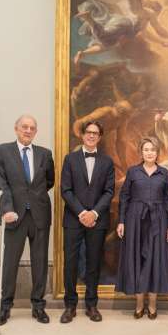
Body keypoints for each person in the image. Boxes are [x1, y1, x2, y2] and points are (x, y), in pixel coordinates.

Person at [0, 115, 56, 324]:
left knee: (40, 263)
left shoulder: (45, 154)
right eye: (24, 127)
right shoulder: (2, 151)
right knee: (10, 263)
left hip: (39, 215)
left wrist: (32, 198)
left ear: (35, 132)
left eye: (32, 128)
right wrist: (8, 209)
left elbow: (49, 181)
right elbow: (2, 185)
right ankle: (5, 307)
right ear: (16, 128)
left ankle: (38, 306)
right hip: (14, 215)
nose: (28, 131)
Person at [59, 119, 115, 323]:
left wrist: (94, 214)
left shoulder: (107, 161)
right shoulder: (70, 159)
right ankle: (70, 306)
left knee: (94, 263)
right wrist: (82, 212)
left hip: (97, 221)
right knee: (71, 263)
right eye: (88, 132)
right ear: (82, 135)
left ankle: (92, 305)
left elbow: (109, 191)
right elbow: (65, 190)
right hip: (74, 219)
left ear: (99, 137)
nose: (91, 136)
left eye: (95, 133)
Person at [116, 137, 168, 317]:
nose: (149, 152)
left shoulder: (164, 173)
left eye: (153, 150)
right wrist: (121, 221)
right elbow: (124, 197)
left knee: (155, 259)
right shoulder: (133, 172)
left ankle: (153, 304)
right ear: (141, 152)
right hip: (135, 220)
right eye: (146, 149)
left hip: (158, 220)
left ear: (157, 153)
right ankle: (139, 303)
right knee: (137, 259)